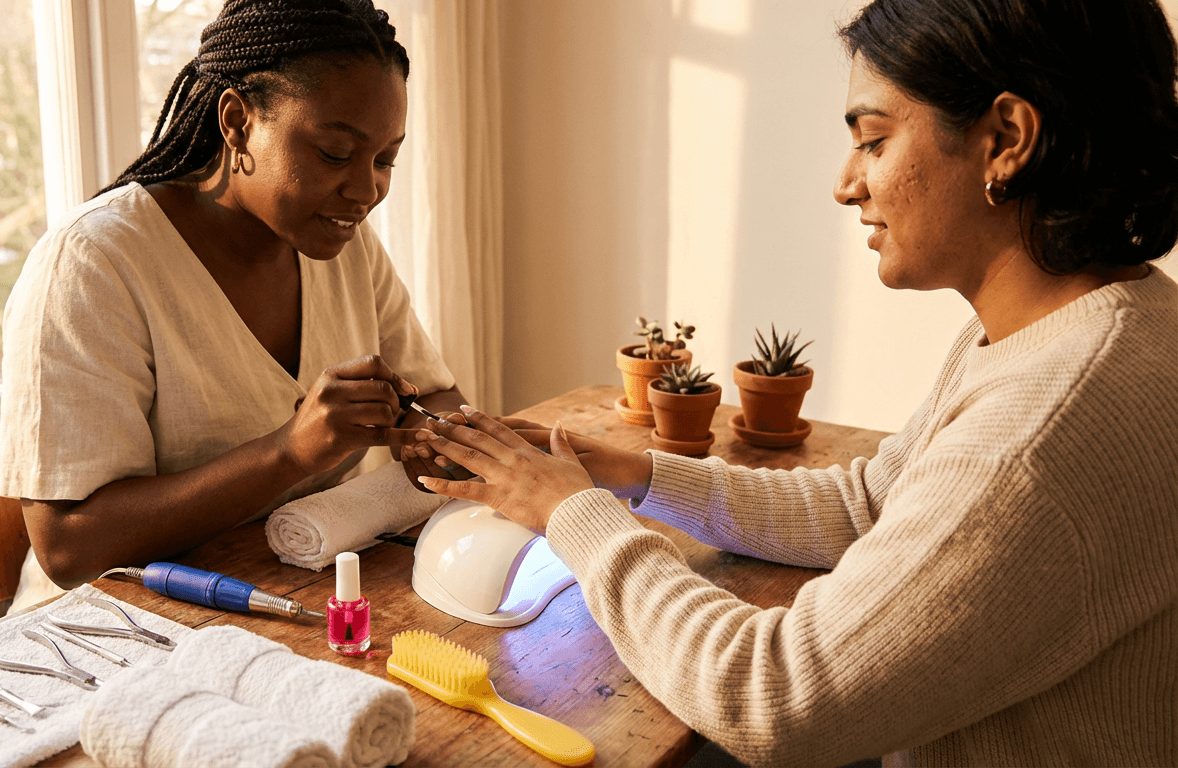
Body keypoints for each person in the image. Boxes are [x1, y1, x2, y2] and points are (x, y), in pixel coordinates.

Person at [413, 0, 1178, 764]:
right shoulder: (1082, 328)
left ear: (1006, 140)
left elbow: (771, 696)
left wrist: (570, 515)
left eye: (874, 141)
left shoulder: (1043, 424)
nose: (847, 185)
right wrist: (630, 474)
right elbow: (869, 505)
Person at [0, 0, 465, 612]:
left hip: (290, 594)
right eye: (332, 153)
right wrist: (289, 451)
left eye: (385, 160)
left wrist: (441, 436)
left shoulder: (343, 242)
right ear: (238, 121)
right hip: (108, 632)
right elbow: (68, 550)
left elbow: (433, 396)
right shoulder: (94, 263)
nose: (365, 190)